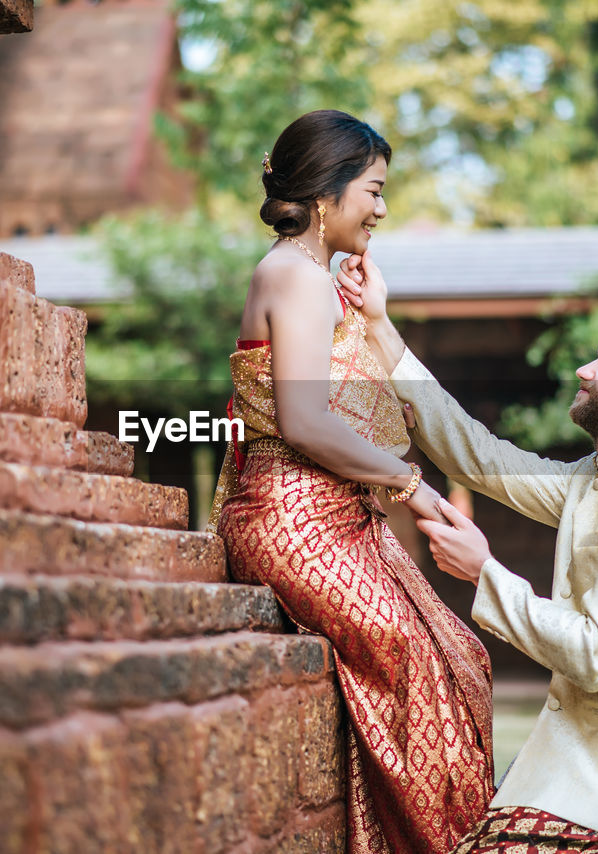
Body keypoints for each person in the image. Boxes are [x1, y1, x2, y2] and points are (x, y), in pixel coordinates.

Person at [338, 253, 598, 854]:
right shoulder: (596, 475)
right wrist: (380, 326)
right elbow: (482, 459)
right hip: (574, 764)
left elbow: (595, 655)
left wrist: (484, 572)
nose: (583, 368)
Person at [207, 110, 495, 853]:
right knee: (415, 662)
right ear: (328, 192)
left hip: (339, 514)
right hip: (292, 516)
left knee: (461, 655)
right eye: (374, 189)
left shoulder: (317, 281)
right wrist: (411, 485)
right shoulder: (292, 276)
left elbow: (354, 407)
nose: (383, 207)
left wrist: (372, 319)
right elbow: (303, 421)